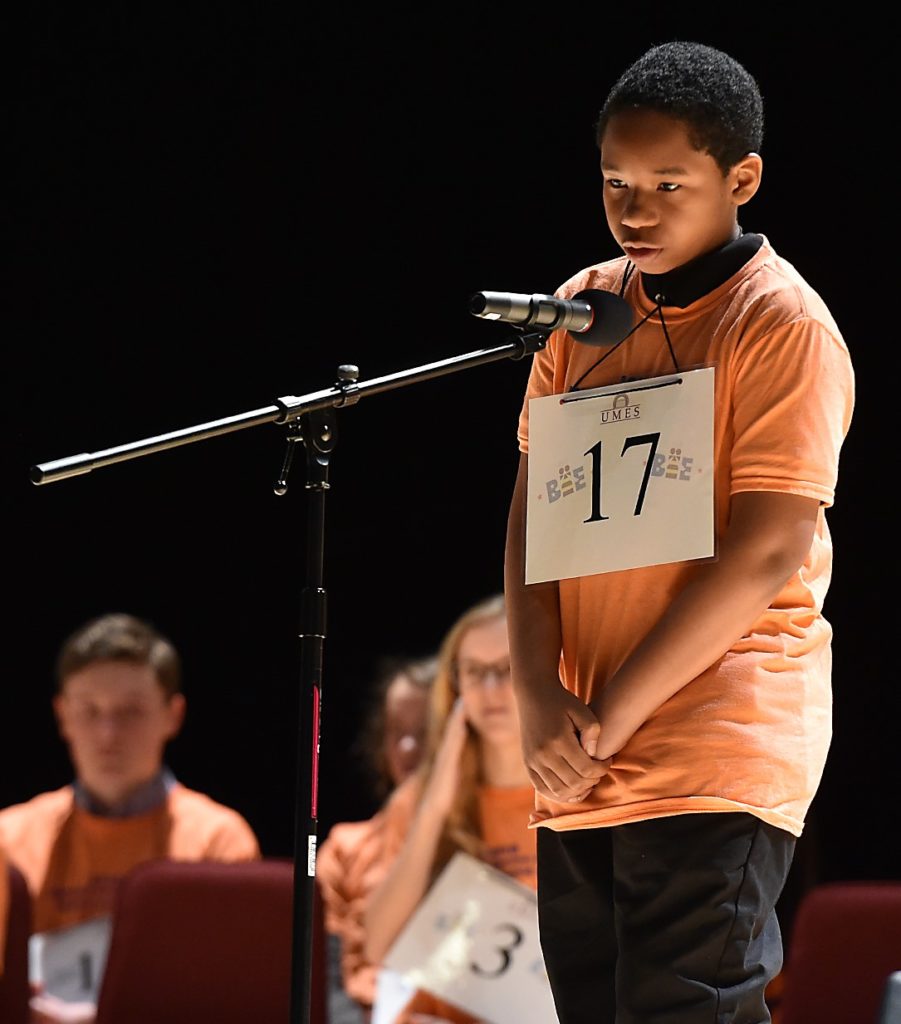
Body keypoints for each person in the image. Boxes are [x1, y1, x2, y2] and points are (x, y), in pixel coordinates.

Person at [502, 40, 855, 1024]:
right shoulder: (585, 309)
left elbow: (766, 550)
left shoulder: (778, 322)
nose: (635, 209)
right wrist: (539, 698)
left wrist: (611, 711)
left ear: (739, 178)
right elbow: (537, 516)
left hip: (713, 733)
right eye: (616, 182)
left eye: (667, 183)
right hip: (580, 749)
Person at [0, 612, 261, 1024]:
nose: (108, 735)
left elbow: (226, 998)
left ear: (172, 715)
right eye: (89, 711)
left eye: (131, 712)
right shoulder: (10, 838)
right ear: (62, 715)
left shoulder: (218, 839)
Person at [363, 593, 537, 1024]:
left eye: (507, 669)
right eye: (474, 673)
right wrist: (435, 807)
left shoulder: (578, 794)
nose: (490, 689)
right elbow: (379, 946)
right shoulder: (423, 798)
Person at [316, 653, 438, 1023]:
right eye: (395, 731)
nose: (406, 748)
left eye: (425, 731)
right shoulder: (344, 848)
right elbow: (327, 979)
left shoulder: (499, 837)